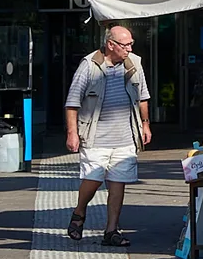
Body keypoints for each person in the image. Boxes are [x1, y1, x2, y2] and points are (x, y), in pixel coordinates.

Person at [64, 25, 151, 247]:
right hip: (95, 136)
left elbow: (143, 97)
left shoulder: (135, 64)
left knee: (118, 182)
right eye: (126, 45)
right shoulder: (89, 66)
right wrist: (72, 133)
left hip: (126, 136)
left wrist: (145, 124)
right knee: (93, 179)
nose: (130, 49)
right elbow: (72, 102)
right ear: (110, 44)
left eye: (131, 44)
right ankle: (79, 212)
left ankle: (111, 230)